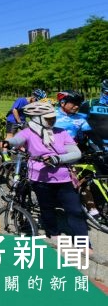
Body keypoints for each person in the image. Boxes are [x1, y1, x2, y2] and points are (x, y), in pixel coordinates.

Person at [4, 101, 87, 240]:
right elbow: (18, 140)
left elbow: (76, 153)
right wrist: (7, 142)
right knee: (47, 209)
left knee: (75, 210)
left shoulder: (61, 132)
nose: (52, 121)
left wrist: (57, 159)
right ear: (37, 119)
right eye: (49, 118)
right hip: (40, 178)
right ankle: (53, 233)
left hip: (64, 178)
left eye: (53, 118)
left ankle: (83, 241)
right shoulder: (28, 132)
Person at [55, 91, 101, 220]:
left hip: (73, 152)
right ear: (63, 103)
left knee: (81, 178)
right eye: (74, 103)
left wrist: (101, 148)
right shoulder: (51, 115)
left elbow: (91, 134)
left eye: (79, 104)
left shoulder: (80, 118)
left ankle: (91, 207)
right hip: (53, 152)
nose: (77, 106)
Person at [80, 78, 108, 149]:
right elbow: (79, 123)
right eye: (107, 93)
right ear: (102, 91)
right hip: (96, 144)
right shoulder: (90, 104)